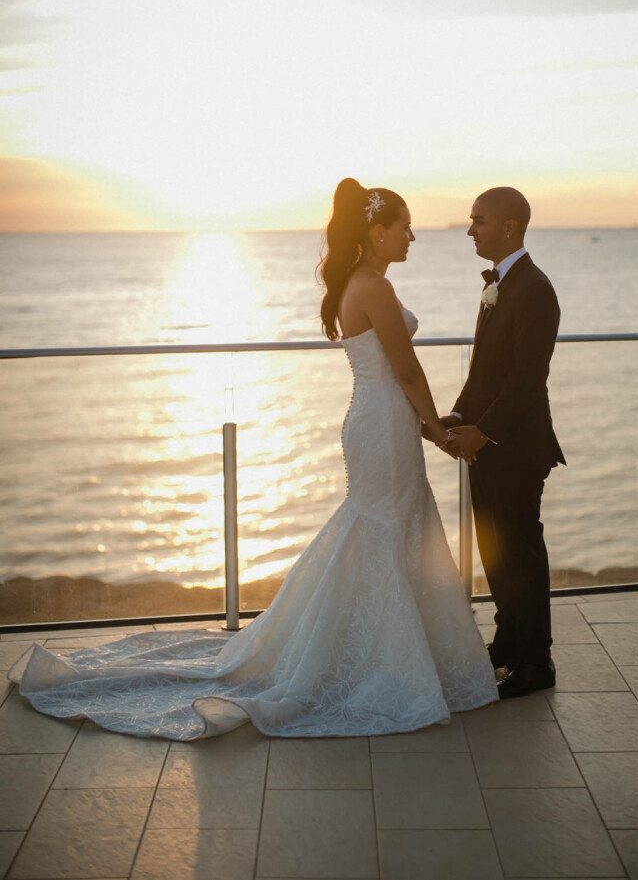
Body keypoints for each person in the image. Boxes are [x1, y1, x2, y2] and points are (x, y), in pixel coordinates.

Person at [10, 178, 497, 739]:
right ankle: (378, 661)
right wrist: (436, 430)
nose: (412, 236)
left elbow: (395, 375)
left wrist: (424, 422)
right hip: (383, 425)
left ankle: (387, 653)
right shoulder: (374, 288)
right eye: (404, 226)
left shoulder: (359, 284)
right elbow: (407, 370)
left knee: (382, 530)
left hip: (379, 418)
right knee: (384, 528)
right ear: (375, 231)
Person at [434, 187, 565, 699]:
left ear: (509, 226)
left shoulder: (535, 288)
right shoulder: (496, 286)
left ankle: (538, 663)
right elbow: (484, 371)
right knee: (497, 553)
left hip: (516, 446)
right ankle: (509, 644)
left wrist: (483, 431)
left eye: (479, 221)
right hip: (487, 442)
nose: (470, 229)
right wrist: (459, 416)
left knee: (521, 555)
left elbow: (527, 378)